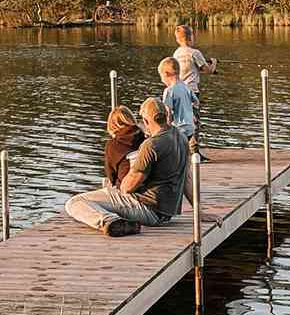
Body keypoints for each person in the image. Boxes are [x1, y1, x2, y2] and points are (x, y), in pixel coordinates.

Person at [65, 97, 191, 237]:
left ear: (146, 120)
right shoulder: (181, 137)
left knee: (75, 202)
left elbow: (127, 187)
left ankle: (111, 221)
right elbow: (187, 178)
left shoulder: (151, 145)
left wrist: (131, 166)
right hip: (167, 213)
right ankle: (117, 219)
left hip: (147, 209)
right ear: (165, 115)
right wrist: (198, 210)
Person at [173, 23, 218, 157]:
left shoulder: (176, 53)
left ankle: (181, 149)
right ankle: (194, 152)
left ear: (177, 39)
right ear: (191, 38)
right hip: (192, 91)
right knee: (194, 120)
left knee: (181, 120)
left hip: (178, 90)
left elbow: (188, 68)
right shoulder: (195, 53)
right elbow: (208, 70)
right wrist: (214, 62)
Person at [103, 104, 144, 187]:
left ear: (112, 125)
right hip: (146, 187)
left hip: (125, 188)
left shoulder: (113, 145)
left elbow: (111, 176)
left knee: (77, 200)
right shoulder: (145, 138)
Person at [158, 57, 196, 142]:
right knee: (182, 148)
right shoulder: (186, 87)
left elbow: (168, 113)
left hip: (179, 129)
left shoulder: (169, 90)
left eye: (161, 76)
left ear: (166, 74)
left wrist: (164, 130)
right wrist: (191, 115)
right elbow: (196, 102)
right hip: (190, 128)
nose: (162, 80)